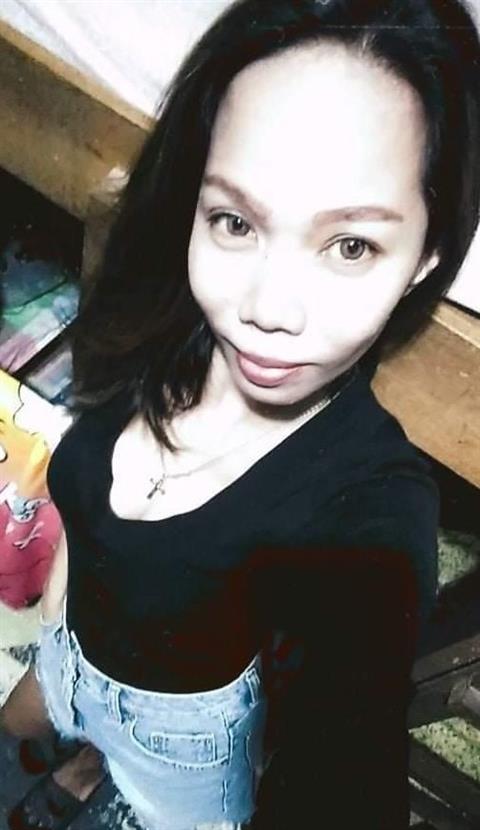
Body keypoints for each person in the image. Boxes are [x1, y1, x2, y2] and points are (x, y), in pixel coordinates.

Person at [2, 0, 480, 828]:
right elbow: (91, 517)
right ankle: (82, 757)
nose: (266, 309)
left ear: (422, 259)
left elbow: (344, 770)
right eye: (235, 222)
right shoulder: (154, 321)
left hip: (179, 761)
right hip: (67, 658)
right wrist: (57, 660)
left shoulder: (369, 516)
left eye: (351, 246)